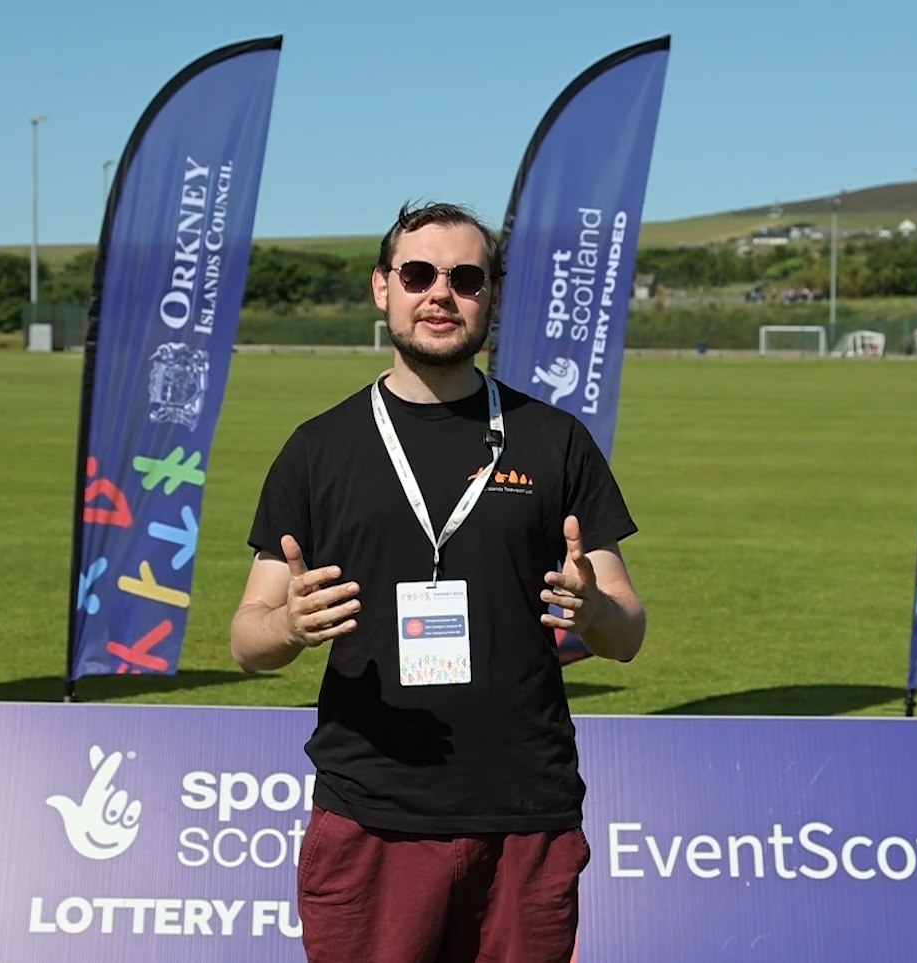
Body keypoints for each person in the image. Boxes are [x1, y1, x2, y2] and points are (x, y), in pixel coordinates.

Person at [229, 202, 647, 963]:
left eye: (465, 278)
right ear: (381, 287)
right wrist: (287, 624)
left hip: (525, 812)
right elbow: (247, 640)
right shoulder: (318, 449)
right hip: (371, 813)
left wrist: (593, 610)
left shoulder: (554, 441)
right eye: (418, 274)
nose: (440, 294)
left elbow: (626, 631)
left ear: (492, 295)